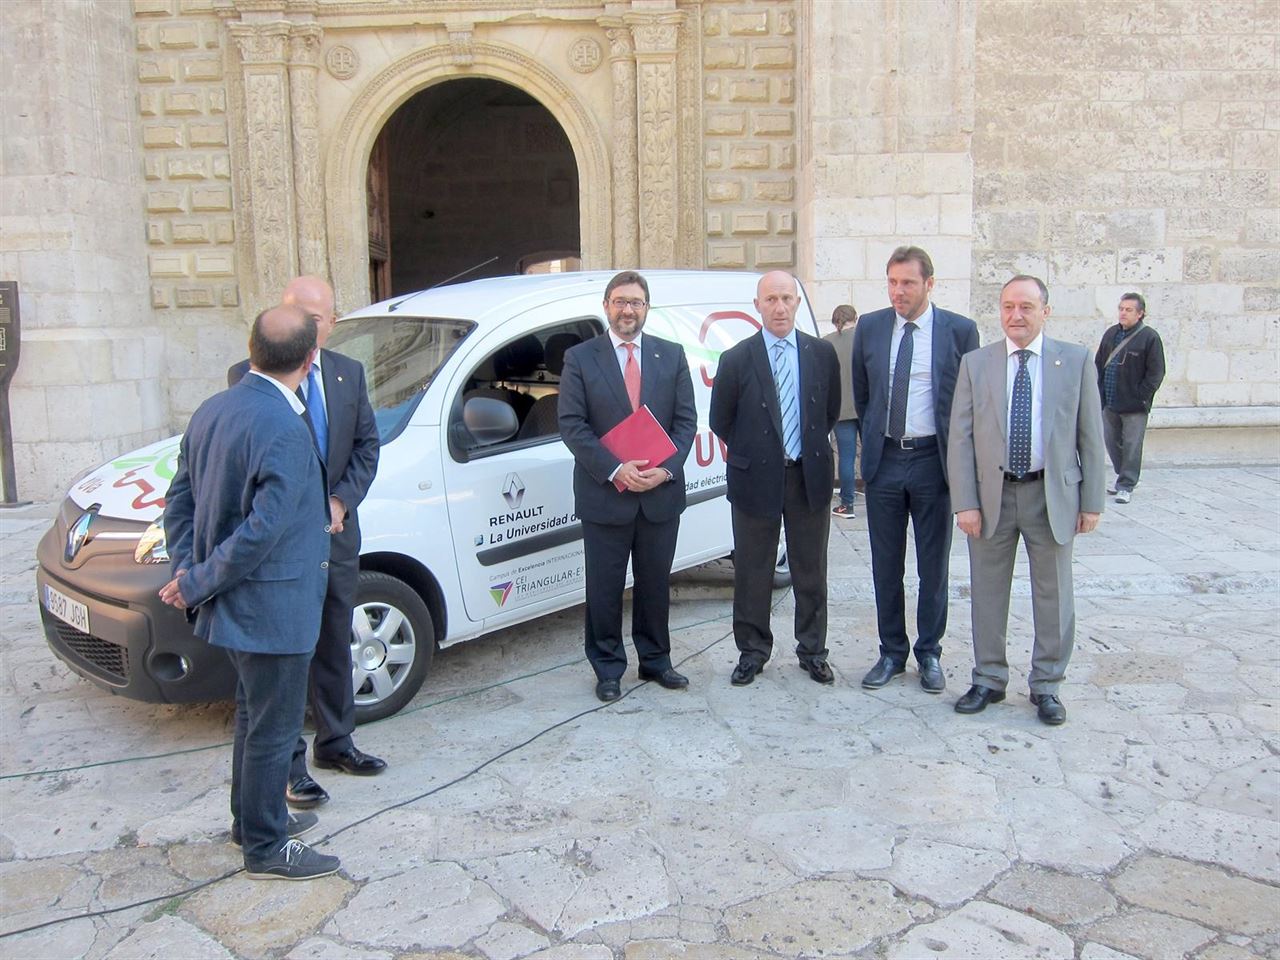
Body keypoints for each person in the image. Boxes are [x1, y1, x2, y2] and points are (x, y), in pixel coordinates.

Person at [161, 304, 340, 880]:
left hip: (234, 605)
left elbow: (178, 502)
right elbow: (261, 533)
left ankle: (250, 820)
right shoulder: (285, 428)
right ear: (311, 359)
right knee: (273, 729)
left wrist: (191, 570)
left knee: (251, 716)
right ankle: (266, 847)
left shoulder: (214, 408)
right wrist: (194, 581)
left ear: (252, 349)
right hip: (273, 607)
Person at [228, 276, 382, 810]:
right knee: (287, 655)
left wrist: (340, 501)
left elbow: (366, 447)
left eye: (319, 317)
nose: (310, 326)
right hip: (279, 551)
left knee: (336, 638)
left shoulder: (348, 374)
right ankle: (290, 768)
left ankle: (336, 743)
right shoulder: (249, 377)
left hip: (337, 535)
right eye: (299, 313)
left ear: (333, 323)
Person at [948, 275, 1105, 726]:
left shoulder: (1074, 362)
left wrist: (1091, 500)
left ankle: (1047, 685)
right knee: (987, 591)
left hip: (1050, 495)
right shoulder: (976, 364)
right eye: (1008, 307)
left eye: (1026, 307)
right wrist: (966, 502)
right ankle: (988, 678)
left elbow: (1090, 435)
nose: (1016, 316)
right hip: (993, 497)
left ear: (1045, 311)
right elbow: (960, 439)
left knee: (1054, 596)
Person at [558, 270, 698, 702]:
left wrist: (667, 468)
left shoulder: (671, 355)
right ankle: (607, 668)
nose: (628, 310)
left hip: (660, 494)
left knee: (655, 584)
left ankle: (656, 661)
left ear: (647, 308)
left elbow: (685, 422)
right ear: (606, 306)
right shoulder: (580, 358)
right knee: (604, 588)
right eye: (620, 301)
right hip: (606, 495)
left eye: (636, 302)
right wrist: (616, 469)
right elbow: (572, 425)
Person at [851, 246, 979, 695]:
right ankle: (891, 651)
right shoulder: (869, 327)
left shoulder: (960, 331)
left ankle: (929, 653)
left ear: (930, 283)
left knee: (933, 567)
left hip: (933, 463)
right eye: (891, 282)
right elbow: (864, 396)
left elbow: (968, 404)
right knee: (886, 566)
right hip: (885, 462)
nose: (898, 291)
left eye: (907, 282)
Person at [710, 270, 842, 686]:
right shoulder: (736, 358)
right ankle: (752, 651)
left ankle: (813, 650)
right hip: (756, 480)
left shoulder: (821, 354)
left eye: (786, 298)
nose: (779, 306)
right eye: (771, 299)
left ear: (798, 304)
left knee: (810, 569)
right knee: (753, 570)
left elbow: (829, 412)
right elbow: (721, 419)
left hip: (809, 478)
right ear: (758, 305)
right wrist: (762, 453)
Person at [1094, 293, 1165, 505]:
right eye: (1121, 309)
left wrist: (1141, 396)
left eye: (1129, 310)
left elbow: (1156, 373)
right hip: (1110, 400)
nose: (1123, 313)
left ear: (1140, 313)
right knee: (1111, 441)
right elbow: (1098, 364)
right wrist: (1098, 393)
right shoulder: (1111, 334)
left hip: (1135, 405)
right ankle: (1125, 475)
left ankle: (1126, 484)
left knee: (1132, 444)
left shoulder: (1150, 337)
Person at [824, 304, 859, 519]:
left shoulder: (827, 342)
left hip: (841, 409)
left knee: (846, 457)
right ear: (856, 317)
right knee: (875, 455)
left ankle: (847, 504)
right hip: (867, 408)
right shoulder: (865, 338)